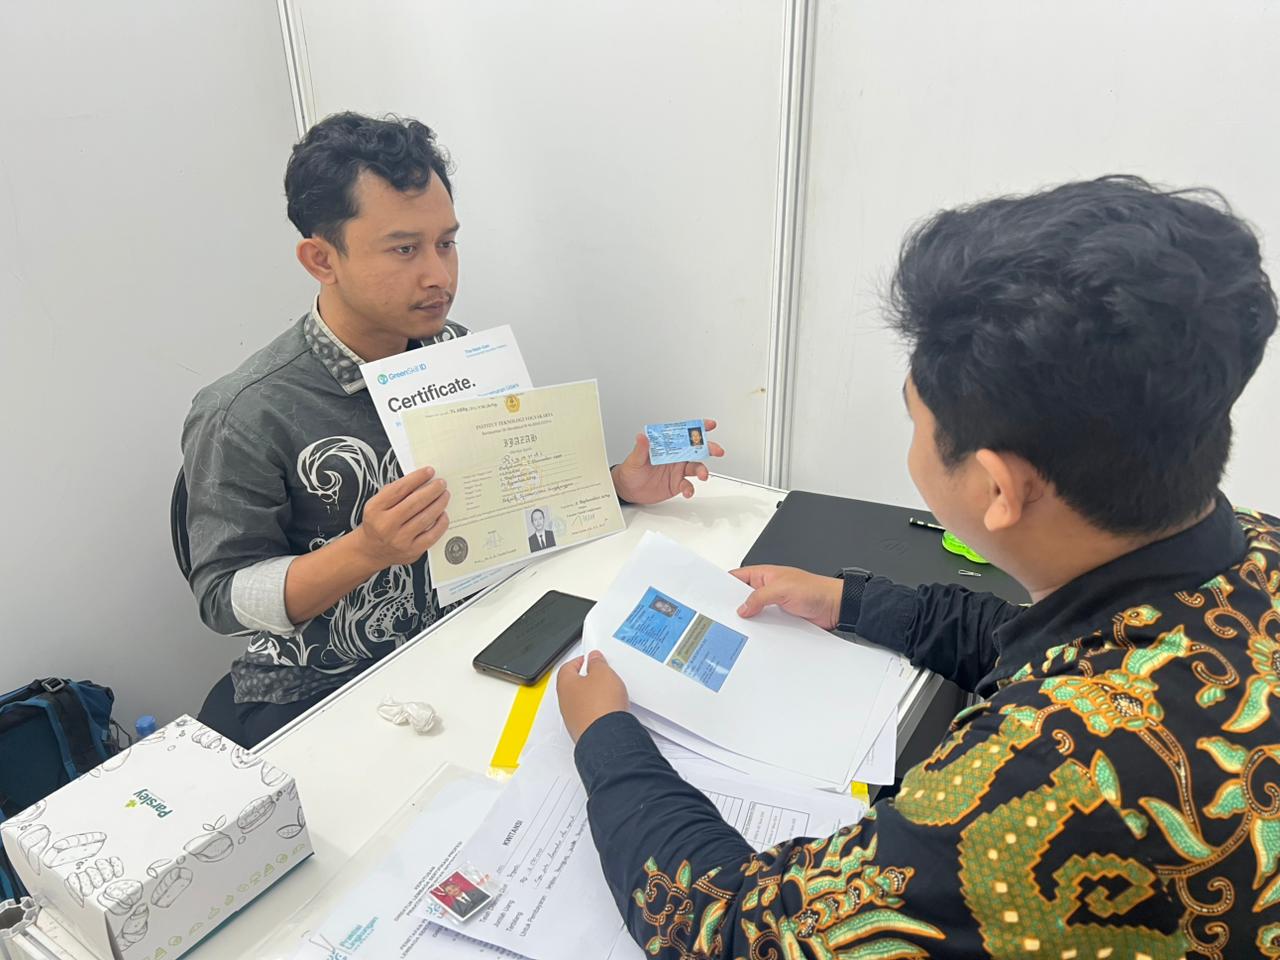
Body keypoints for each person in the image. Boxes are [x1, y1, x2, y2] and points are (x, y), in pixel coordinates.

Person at [558, 177, 1280, 958]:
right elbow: (1052, 639)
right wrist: (850, 601)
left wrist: (605, 738)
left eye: (915, 421)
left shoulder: (1043, 782)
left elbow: (731, 932)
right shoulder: (1254, 548)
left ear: (998, 489)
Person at [182, 112, 725, 747]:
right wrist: (366, 551)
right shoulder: (245, 411)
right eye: (404, 249)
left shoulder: (458, 353)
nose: (439, 275)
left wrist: (617, 486)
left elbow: (513, 504)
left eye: (446, 243)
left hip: (474, 641)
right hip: (326, 688)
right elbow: (222, 597)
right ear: (321, 259)